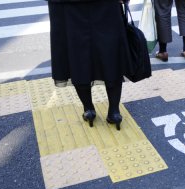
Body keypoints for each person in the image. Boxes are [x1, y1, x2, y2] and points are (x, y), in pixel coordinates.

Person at [47, 0, 129, 130]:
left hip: (65, 6)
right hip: (106, 5)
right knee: (111, 54)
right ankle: (114, 112)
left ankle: (89, 109)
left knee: (75, 55)